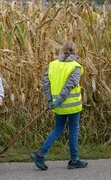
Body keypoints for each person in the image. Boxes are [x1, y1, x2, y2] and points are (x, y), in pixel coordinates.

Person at [30, 41, 88, 170]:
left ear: (62, 51)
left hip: (58, 106)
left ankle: (41, 154)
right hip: (72, 106)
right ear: (75, 51)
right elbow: (70, 85)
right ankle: (74, 160)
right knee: (73, 130)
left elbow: (46, 83)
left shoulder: (52, 65)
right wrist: (59, 101)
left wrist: (51, 101)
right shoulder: (75, 66)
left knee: (58, 129)